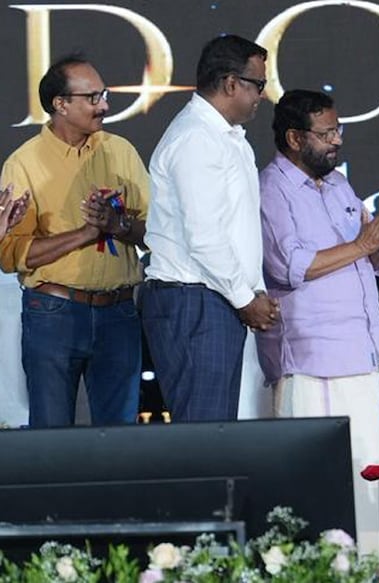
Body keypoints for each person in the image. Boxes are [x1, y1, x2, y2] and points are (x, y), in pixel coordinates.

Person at [258, 89, 379, 550]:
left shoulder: (338, 186)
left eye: (339, 130)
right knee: (318, 485)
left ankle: (369, 567)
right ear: (294, 138)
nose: (337, 141)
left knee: (367, 478)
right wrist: (365, 244)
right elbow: (289, 266)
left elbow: (364, 259)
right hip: (313, 358)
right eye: (326, 133)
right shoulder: (272, 189)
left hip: (361, 350)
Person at [0, 55, 150, 428]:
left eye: (104, 95)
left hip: (119, 312)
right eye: (92, 97)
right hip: (53, 312)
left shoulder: (120, 151)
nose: (104, 106)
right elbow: (10, 255)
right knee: (51, 435)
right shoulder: (24, 164)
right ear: (60, 104)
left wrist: (117, 224)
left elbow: (155, 231)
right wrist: (85, 233)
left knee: (120, 438)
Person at [144, 35, 277, 422]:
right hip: (194, 302)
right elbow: (204, 238)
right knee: (204, 432)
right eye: (258, 84)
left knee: (216, 431)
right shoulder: (197, 139)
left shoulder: (227, 137)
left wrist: (253, 292)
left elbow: (238, 228)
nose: (262, 95)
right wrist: (246, 299)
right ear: (231, 83)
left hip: (214, 298)